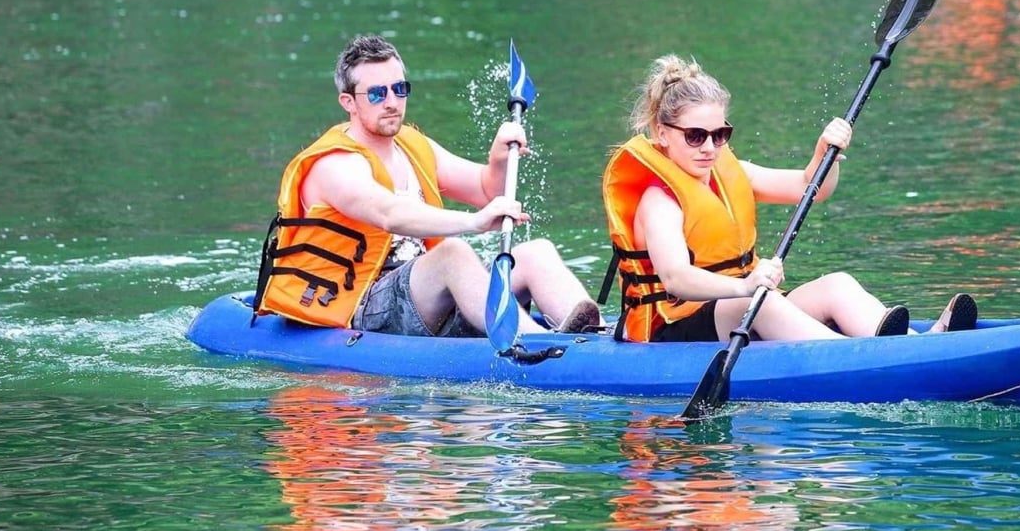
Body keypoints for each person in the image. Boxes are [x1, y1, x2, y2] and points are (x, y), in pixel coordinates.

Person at [602, 54, 976, 343]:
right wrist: (745, 286)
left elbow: (812, 188)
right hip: (673, 328)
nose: (710, 147)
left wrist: (824, 155)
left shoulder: (733, 174)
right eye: (695, 136)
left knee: (837, 284)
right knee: (755, 302)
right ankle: (858, 357)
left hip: (742, 306)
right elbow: (676, 279)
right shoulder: (659, 201)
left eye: (720, 135)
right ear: (662, 133)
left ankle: (920, 344)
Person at [255, 34, 603, 338]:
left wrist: (498, 158)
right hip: (359, 302)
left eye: (399, 89)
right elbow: (389, 213)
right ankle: (537, 345)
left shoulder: (413, 145)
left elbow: (486, 191)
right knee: (452, 254)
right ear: (349, 102)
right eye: (376, 94)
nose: (392, 102)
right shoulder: (335, 164)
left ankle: (596, 339)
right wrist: (474, 222)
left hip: (426, 296)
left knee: (535, 252)